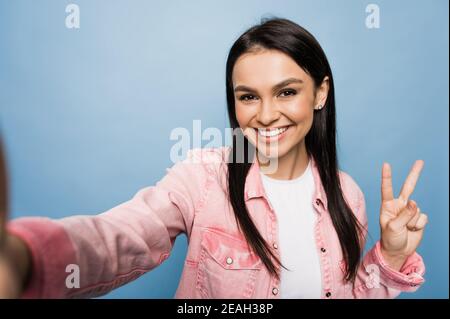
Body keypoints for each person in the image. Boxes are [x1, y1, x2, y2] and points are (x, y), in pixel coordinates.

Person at [0, 18, 427, 299]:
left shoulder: (347, 194)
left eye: (286, 91)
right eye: (247, 97)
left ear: (320, 92)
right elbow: (120, 236)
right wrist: (24, 257)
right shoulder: (203, 178)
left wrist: (388, 257)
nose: (264, 115)